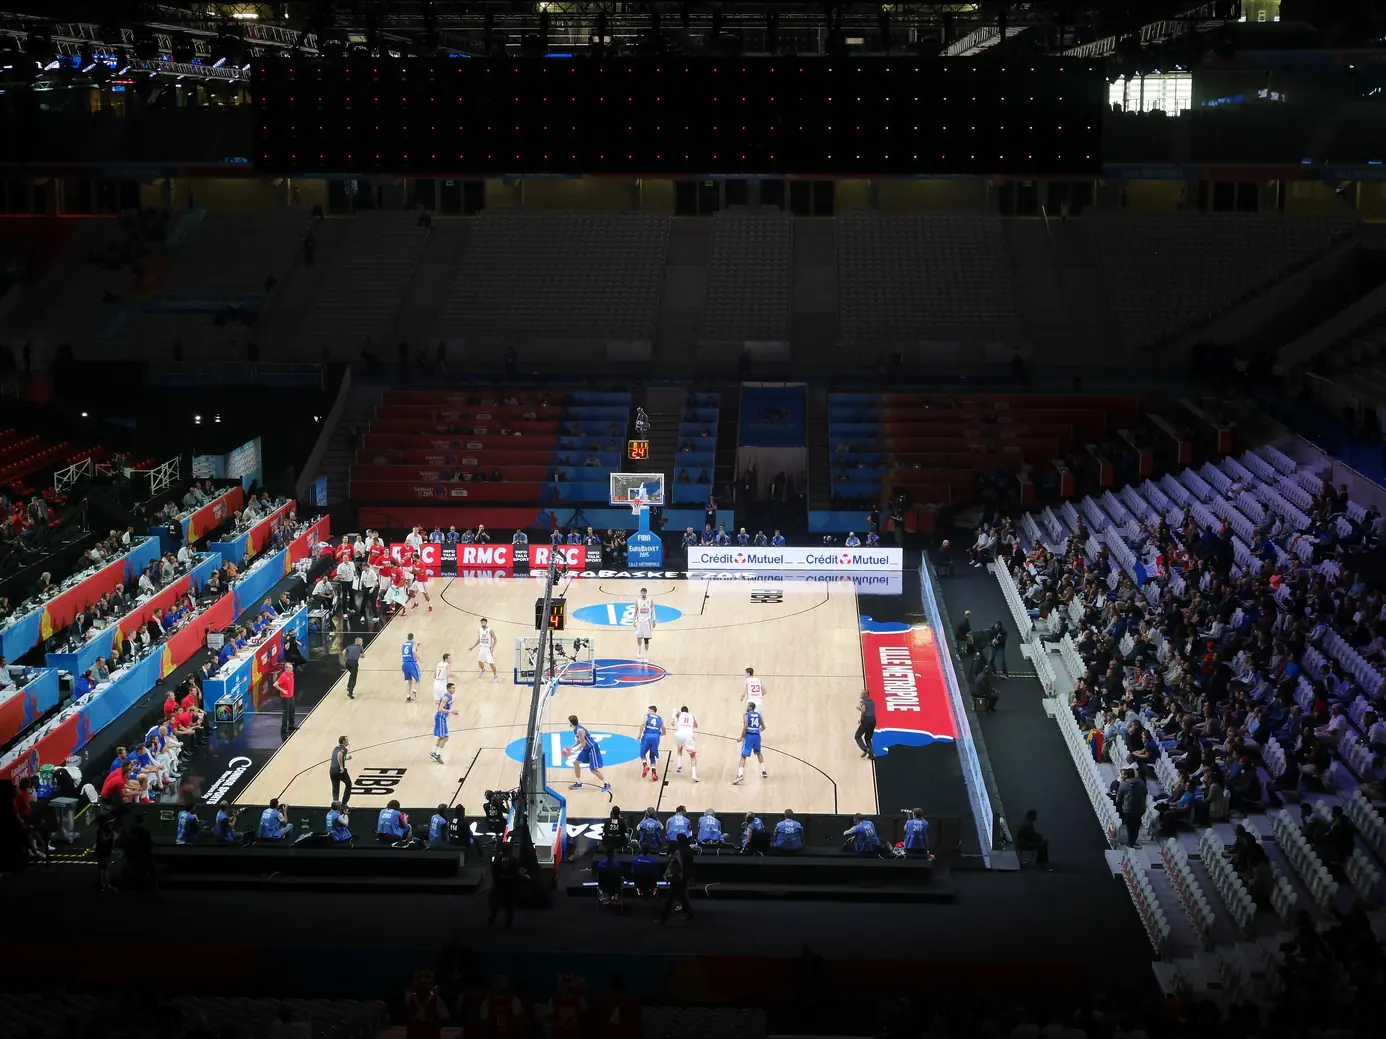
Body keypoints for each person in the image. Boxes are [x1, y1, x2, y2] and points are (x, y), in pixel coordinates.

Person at [566, 715, 611, 793]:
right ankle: (578, 783)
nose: (568, 723)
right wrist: (570, 748)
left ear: (571, 723)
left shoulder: (580, 730)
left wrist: (573, 752)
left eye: (569, 722)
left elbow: (582, 744)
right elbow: (578, 742)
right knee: (576, 763)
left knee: (593, 769)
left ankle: (606, 784)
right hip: (586, 749)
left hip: (592, 748)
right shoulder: (576, 729)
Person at [659, 834, 695, 923]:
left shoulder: (679, 852)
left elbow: (678, 865)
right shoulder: (688, 850)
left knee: (670, 899)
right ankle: (689, 913)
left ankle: (663, 919)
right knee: (682, 897)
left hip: (678, 877)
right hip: (684, 876)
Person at [488, 844, 527, 928]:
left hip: (499, 885)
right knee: (510, 905)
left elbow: (494, 872)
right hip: (509, 885)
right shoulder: (514, 860)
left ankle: (492, 919)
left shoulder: (497, 860)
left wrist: (499, 877)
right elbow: (516, 872)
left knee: (496, 904)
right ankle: (508, 923)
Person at [733, 704, 766, 785]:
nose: (746, 707)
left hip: (749, 737)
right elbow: (763, 727)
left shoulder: (746, 715)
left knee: (743, 756)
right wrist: (756, 730)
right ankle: (764, 771)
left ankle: (740, 775)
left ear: (750, 707)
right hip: (757, 736)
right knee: (758, 753)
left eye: (747, 706)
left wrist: (741, 737)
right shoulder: (758, 715)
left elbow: (745, 727)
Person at [1116, 767, 1148, 848]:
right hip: (1140, 809)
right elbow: (1146, 792)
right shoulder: (1141, 783)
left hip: (1128, 809)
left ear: (1126, 776)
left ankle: (1130, 843)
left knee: (1130, 826)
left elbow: (1119, 797)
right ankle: (1132, 841)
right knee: (1136, 826)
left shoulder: (1123, 784)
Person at [431, 682, 458, 765]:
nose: (454, 689)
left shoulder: (451, 696)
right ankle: (437, 754)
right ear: (448, 689)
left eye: (454, 688)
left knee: (442, 737)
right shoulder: (446, 698)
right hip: (440, 717)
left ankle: (434, 752)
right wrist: (451, 711)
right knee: (445, 737)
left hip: (442, 718)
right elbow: (440, 709)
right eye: (452, 688)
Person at [638, 704, 664, 783]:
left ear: (652, 711)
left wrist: (639, 735)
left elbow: (643, 724)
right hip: (656, 737)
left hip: (647, 736)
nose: (648, 712)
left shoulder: (647, 716)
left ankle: (645, 765)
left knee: (642, 753)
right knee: (652, 756)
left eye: (649, 710)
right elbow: (664, 731)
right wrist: (658, 734)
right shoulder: (660, 718)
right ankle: (654, 773)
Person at [672, 705, 699, 782]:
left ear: (682, 710)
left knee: (679, 747)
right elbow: (696, 726)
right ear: (688, 711)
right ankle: (694, 775)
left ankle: (679, 764)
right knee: (692, 756)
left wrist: (673, 719)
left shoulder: (680, 714)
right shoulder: (691, 716)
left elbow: (674, 709)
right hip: (688, 736)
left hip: (679, 735)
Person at [471, 618, 499, 682]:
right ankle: (483, 670)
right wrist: (473, 647)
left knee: (491, 663)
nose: (483, 624)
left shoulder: (490, 630)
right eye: (482, 623)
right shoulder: (480, 630)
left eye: (484, 622)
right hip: (482, 648)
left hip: (488, 649)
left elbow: (495, 639)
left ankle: (495, 676)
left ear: (486, 623)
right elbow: (479, 640)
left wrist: (492, 647)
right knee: (480, 661)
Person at [632, 588, 656, 663]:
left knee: (646, 639)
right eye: (642, 593)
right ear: (640, 593)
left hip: (647, 622)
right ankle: (639, 651)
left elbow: (653, 611)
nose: (643, 594)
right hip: (639, 621)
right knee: (639, 638)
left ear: (646, 593)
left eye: (644, 593)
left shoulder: (650, 600)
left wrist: (654, 620)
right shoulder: (638, 601)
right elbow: (635, 611)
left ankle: (645, 656)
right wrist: (633, 620)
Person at [274, 663, 297, 736]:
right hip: (286, 697)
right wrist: (283, 690)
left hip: (291, 696)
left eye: (291, 668)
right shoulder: (283, 676)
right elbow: (275, 684)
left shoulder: (291, 673)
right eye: (290, 668)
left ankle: (291, 725)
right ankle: (284, 728)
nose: (291, 669)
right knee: (286, 713)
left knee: (292, 711)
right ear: (286, 669)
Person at [855, 688, 876, 759]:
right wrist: (860, 710)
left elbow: (864, 710)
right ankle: (871, 755)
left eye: (862, 694)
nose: (861, 695)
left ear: (866, 695)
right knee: (868, 738)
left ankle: (865, 749)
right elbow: (868, 711)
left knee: (857, 736)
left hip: (866, 720)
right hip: (873, 720)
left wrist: (861, 719)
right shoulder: (872, 702)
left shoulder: (863, 702)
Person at [330, 735, 352, 805]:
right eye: (347, 740)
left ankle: (335, 804)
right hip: (339, 770)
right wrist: (341, 767)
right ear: (343, 741)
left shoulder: (335, 748)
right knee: (348, 784)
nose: (348, 741)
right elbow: (339, 755)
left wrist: (346, 758)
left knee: (335, 787)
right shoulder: (344, 749)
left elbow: (337, 758)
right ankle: (344, 804)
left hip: (332, 770)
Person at [402, 632, 422, 701]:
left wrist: (416, 646)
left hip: (404, 664)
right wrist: (419, 658)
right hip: (411, 663)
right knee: (418, 679)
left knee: (409, 681)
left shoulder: (404, 644)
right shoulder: (414, 643)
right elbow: (413, 651)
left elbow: (407, 651)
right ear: (413, 637)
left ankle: (408, 696)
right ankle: (414, 691)